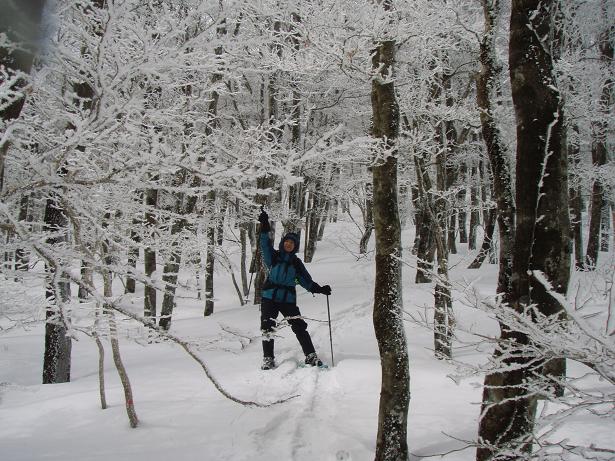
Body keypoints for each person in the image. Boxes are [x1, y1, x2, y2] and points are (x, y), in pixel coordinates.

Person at [257, 208, 332, 370]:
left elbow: (306, 281)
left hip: (288, 300)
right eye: (286, 241)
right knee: (267, 327)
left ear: (295, 246)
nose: (288, 244)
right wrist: (264, 226)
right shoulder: (274, 257)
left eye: (292, 243)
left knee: (299, 326)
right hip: (269, 297)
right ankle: (268, 358)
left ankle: (310, 355)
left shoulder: (297, 263)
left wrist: (320, 289)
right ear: (283, 243)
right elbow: (264, 244)